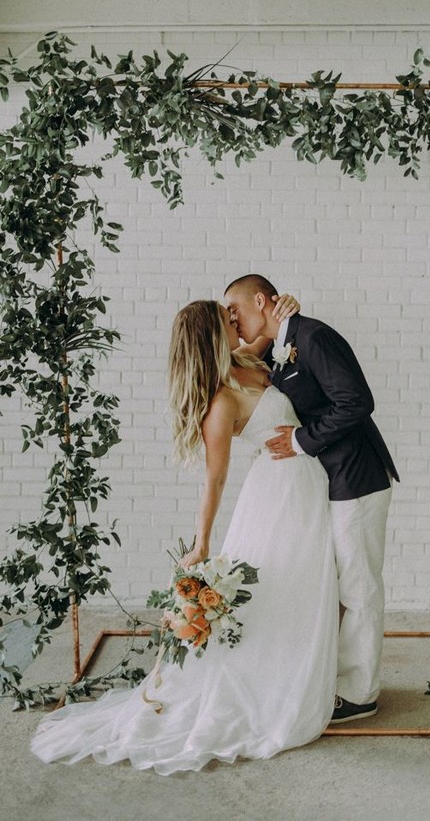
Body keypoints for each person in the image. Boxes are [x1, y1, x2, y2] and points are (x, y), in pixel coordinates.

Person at [31, 298, 339, 774]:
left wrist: (288, 308)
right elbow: (213, 480)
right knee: (284, 589)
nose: (235, 320)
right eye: (226, 318)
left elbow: (277, 330)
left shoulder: (250, 357)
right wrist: (202, 543)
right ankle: (272, 685)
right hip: (276, 495)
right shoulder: (221, 402)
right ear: (212, 335)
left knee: (305, 586)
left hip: (307, 483)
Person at [224, 274, 399, 724]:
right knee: (343, 583)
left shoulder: (314, 336)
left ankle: (360, 693)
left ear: (261, 300)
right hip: (331, 480)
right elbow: (234, 352)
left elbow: (357, 401)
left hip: (356, 477)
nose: (232, 319)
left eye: (235, 309)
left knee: (359, 586)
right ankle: (339, 679)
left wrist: (302, 440)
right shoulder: (282, 341)